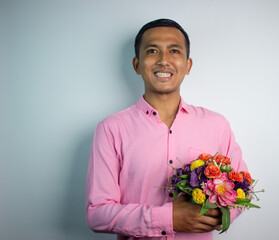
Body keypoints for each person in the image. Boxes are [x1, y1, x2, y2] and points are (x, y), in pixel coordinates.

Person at [86, 19, 248, 240]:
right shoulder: (111, 129)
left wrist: (219, 213)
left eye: (174, 50)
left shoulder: (217, 125)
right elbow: (97, 215)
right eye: (152, 51)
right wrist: (169, 218)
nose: (163, 61)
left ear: (188, 65)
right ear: (137, 64)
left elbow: (240, 193)